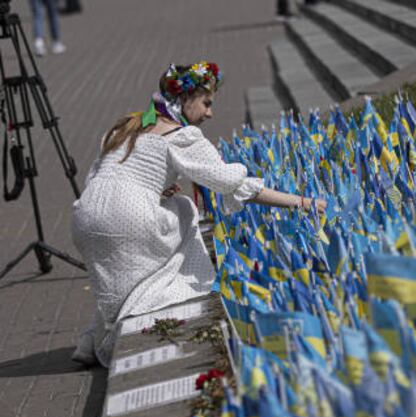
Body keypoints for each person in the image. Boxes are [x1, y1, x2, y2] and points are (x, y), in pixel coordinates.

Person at [71, 62, 325, 366]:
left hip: (85, 216)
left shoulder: (128, 125)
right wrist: (302, 202)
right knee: (183, 213)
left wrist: (152, 193)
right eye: (206, 103)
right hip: (128, 216)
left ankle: (92, 340)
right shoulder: (181, 135)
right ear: (185, 99)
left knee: (125, 276)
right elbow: (235, 185)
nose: (209, 113)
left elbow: (108, 176)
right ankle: (150, 316)